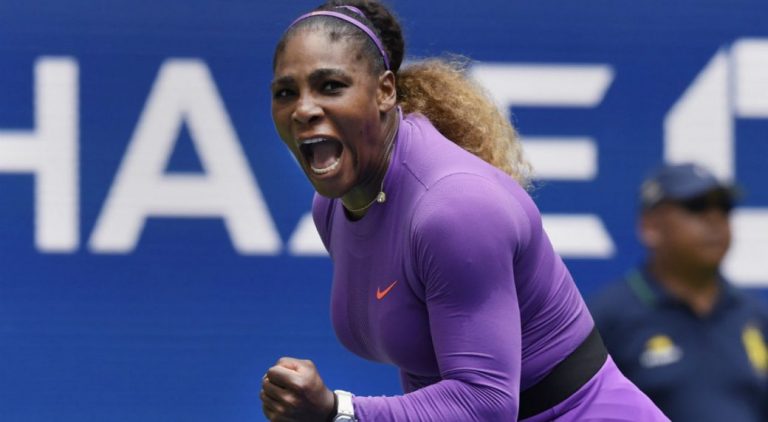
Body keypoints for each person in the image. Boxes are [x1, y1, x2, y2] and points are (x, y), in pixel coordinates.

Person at [261, 1, 667, 420]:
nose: (304, 109)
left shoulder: (453, 209)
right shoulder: (333, 207)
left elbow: (486, 403)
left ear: (384, 91)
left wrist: (338, 411)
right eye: (285, 93)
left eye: (330, 86)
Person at [590, 162, 768, 421]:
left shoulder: (755, 316)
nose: (715, 219)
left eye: (724, 207)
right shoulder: (607, 318)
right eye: (696, 206)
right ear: (651, 227)